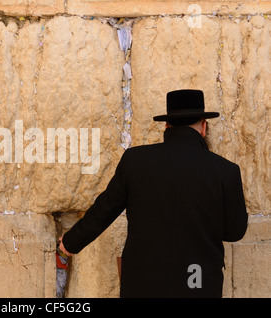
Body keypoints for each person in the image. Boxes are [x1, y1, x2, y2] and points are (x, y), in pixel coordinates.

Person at [59, 89, 248, 298]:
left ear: (167, 126)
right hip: (198, 282)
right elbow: (235, 231)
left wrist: (70, 243)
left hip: (143, 285)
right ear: (203, 127)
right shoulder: (226, 171)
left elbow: (104, 210)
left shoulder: (135, 161)